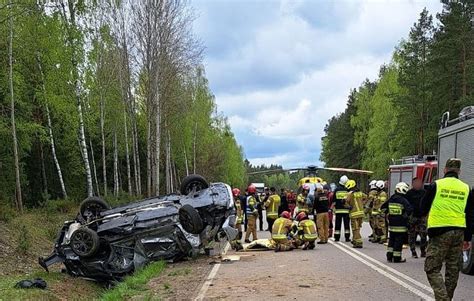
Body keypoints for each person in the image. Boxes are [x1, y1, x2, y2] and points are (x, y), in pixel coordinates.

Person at [420, 158, 474, 301]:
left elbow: (423, 207)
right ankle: (447, 298)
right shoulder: (466, 188)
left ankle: (443, 299)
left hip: (439, 232)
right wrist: (468, 238)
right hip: (459, 232)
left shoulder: (436, 185)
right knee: (452, 270)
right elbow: (470, 214)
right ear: (459, 171)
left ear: (444, 170)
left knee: (431, 268)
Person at [382, 182, 412, 263]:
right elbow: (410, 209)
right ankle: (397, 258)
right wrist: (404, 216)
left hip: (392, 224)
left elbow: (383, 207)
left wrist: (388, 213)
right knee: (399, 241)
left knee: (391, 240)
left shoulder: (391, 198)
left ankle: (389, 256)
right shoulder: (403, 200)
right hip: (400, 225)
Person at [406, 177, 428, 258]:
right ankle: (413, 251)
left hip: (422, 217)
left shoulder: (424, 193)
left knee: (423, 234)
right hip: (412, 217)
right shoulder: (409, 194)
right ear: (413, 184)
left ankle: (423, 251)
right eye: (416, 183)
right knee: (412, 235)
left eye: (419, 183)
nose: (418, 185)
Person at [345, 180, 366, 248]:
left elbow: (345, 202)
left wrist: (348, 207)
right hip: (361, 213)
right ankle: (354, 240)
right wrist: (362, 204)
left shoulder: (350, 194)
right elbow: (366, 197)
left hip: (354, 214)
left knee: (355, 228)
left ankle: (359, 242)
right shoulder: (360, 193)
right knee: (358, 227)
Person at [334, 175, 351, 242]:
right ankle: (347, 237)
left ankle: (337, 237)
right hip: (346, 211)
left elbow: (334, 200)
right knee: (347, 225)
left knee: (337, 225)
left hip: (338, 211)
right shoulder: (348, 190)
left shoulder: (336, 190)